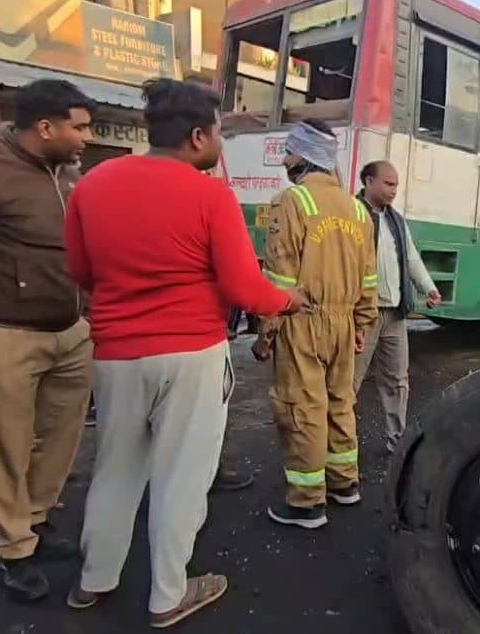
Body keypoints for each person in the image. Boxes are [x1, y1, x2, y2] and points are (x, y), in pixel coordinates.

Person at [65, 79, 305, 628]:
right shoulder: (209, 195)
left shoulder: (92, 184)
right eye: (220, 131)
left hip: (116, 353)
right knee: (182, 476)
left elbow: (81, 273)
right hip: (192, 353)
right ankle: (169, 594)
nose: (221, 142)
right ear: (198, 136)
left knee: (116, 466)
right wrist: (287, 300)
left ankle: (94, 580)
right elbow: (247, 288)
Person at [0, 79, 94, 603]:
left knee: (59, 439)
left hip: (72, 335)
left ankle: (34, 520)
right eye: (79, 127)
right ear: (46, 127)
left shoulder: (68, 174)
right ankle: (13, 549)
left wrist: (90, 316)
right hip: (4, 334)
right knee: (6, 446)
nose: (86, 137)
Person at [252, 120, 378, 530]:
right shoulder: (358, 209)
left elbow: (280, 278)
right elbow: (368, 276)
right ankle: (345, 483)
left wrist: (266, 331)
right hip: (343, 322)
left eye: (289, 152)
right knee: (340, 401)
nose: (285, 160)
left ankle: (307, 503)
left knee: (303, 406)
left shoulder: (294, 201)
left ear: (304, 157)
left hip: (301, 320)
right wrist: (361, 323)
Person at [353, 161, 441, 455]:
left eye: (396, 185)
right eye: (388, 184)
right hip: (363, 314)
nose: (393, 190)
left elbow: (412, 258)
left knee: (397, 380)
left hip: (395, 314)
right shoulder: (352, 214)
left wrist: (428, 287)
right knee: (349, 381)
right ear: (369, 181)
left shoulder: (396, 221)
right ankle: (339, 445)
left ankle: (396, 441)